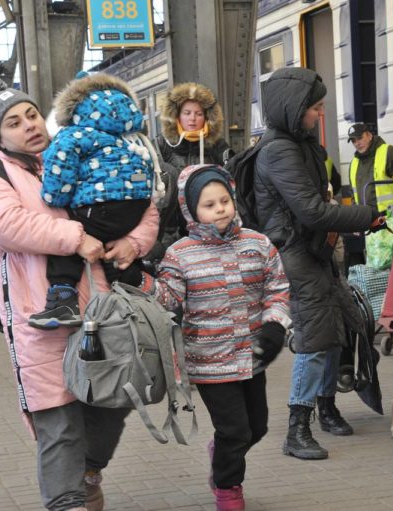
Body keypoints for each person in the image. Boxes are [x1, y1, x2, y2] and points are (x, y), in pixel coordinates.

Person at [0, 74, 159, 511]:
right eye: (14, 122)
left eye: (32, 114)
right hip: (42, 315)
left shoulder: (82, 147)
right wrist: (74, 237)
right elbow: (6, 224)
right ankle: (67, 499)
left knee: (115, 400)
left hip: (105, 310)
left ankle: (89, 470)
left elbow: (143, 202)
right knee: (59, 420)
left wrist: (135, 243)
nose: (29, 125)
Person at [140, 164, 291, 511]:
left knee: (257, 428)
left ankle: (223, 453)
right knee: (235, 430)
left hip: (254, 355)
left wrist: (275, 325)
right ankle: (227, 487)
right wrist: (142, 276)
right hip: (208, 360)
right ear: (192, 210)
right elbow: (167, 299)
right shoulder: (180, 254)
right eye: (209, 204)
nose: (220, 208)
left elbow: (278, 290)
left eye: (224, 200)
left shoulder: (258, 244)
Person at [252, 67, 385, 460]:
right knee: (313, 338)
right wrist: (366, 217)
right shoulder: (278, 150)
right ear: (295, 109)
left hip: (314, 251)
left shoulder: (303, 144)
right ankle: (297, 428)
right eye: (315, 107)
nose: (320, 115)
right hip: (292, 254)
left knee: (339, 326)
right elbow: (311, 211)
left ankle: (327, 407)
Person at [28, 71, 162, 329]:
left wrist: (54, 197)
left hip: (100, 205)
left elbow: (60, 167)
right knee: (113, 252)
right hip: (135, 209)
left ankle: (62, 300)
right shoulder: (133, 137)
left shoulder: (75, 134)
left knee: (71, 241)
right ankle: (133, 296)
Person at [152, 82, 233, 259]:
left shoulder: (218, 146)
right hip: (171, 230)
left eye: (198, 114)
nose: (193, 119)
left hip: (208, 229)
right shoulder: (161, 145)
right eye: (187, 113)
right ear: (176, 116)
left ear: (207, 117)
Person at [347, 122, 393, 210]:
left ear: (369, 135)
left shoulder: (388, 152)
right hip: (364, 218)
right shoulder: (353, 162)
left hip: (389, 217)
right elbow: (352, 193)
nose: (357, 143)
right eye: (353, 141)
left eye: (360, 138)